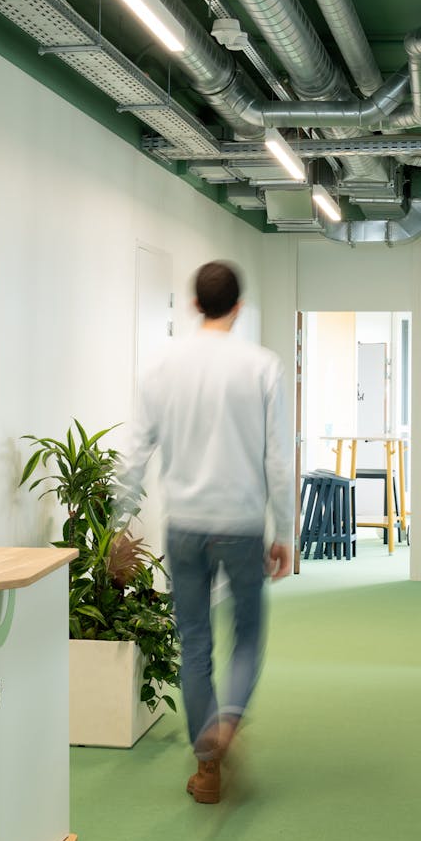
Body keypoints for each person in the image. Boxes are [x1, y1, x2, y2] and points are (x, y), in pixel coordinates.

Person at [116, 261, 293, 804]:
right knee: (247, 635)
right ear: (238, 308)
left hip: (185, 526)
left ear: (194, 305)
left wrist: (118, 525)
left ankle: (206, 764)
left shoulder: (161, 366)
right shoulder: (263, 367)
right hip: (240, 526)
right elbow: (278, 460)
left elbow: (134, 451)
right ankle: (230, 719)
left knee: (193, 641)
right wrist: (283, 529)